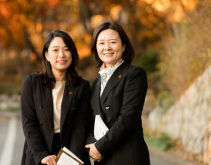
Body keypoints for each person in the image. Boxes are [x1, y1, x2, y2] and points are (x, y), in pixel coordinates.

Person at [21, 30, 92, 165]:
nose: (61, 55)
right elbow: (28, 122)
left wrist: (70, 159)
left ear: (72, 54)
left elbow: (80, 125)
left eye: (66, 49)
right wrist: (42, 155)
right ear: (47, 55)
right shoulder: (32, 83)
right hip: (39, 152)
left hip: (71, 150)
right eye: (55, 50)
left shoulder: (82, 87)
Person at [85, 21, 150, 165]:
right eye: (101, 43)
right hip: (102, 158)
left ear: (124, 46)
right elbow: (92, 118)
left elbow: (128, 117)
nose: (107, 47)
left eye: (113, 42)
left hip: (127, 156)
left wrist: (101, 147)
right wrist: (92, 146)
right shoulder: (96, 82)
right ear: (96, 48)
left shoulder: (134, 75)